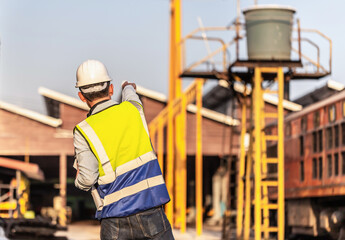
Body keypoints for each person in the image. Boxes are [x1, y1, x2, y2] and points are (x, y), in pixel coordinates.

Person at [73, 59, 174, 240]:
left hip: (114, 221)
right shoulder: (134, 110)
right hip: (151, 211)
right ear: (111, 89)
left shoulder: (83, 130)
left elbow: (87, 179)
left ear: (82, 96)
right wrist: (128, 86)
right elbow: (130, 93)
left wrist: (78, 180)